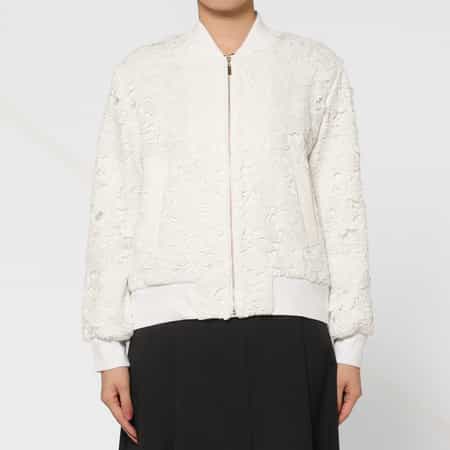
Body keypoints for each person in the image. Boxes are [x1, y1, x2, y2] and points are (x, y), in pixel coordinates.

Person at [81, 1, 375, 449]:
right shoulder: (140, 74)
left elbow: (342, 205)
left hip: (289, 332)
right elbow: (115, 205)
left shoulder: (315, 68)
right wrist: (108, 350)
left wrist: (350, 345)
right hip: (169, 334)